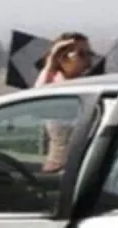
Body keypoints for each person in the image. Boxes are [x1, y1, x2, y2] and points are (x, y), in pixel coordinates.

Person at [33, 33, 95, 172]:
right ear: (62, 59)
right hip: (59, 167)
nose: (88, 59)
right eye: (81, 54)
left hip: (85, 167)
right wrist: (51, 61)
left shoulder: (90, 86)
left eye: (89, 54)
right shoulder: (57, 87)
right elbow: (37, 97)